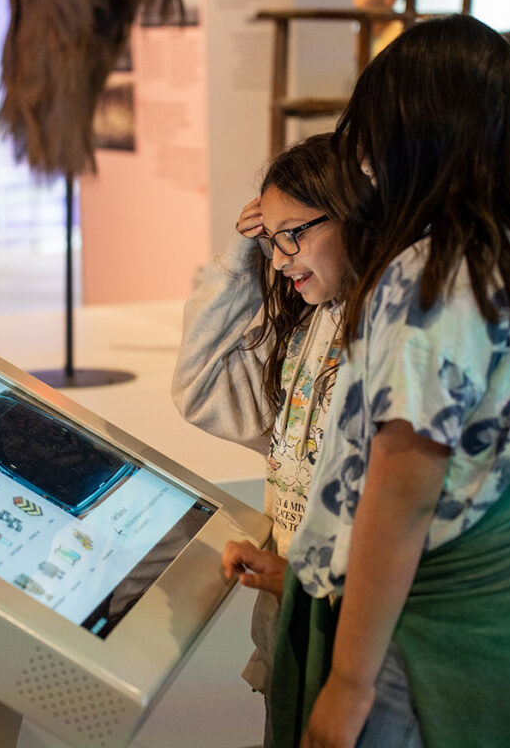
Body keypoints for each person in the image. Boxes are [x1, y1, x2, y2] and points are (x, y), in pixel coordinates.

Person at [246, 15, 510, 747]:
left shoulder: (432, 276)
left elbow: (403, 493)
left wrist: (348, 684)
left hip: (446, 631)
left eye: (379, 135)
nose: (369, 161)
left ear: (423, 138)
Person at [172, 133, 355, 745]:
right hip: (291, 636)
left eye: (293, 235)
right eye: (271, 241)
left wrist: (294, 577)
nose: (280, 260)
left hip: (353, 649)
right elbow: (199, 386)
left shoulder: (384, 346)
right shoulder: (307, 331)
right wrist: (238, 260)